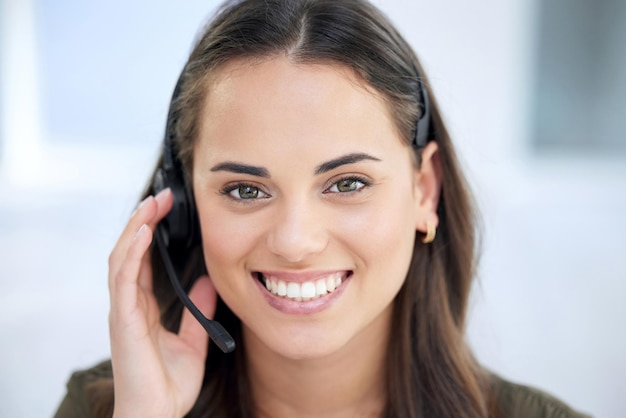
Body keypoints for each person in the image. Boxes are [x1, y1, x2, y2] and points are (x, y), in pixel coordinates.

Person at [54, 0, 591, 417]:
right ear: (183, 208)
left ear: (423, 191)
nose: (294, 240)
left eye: (348, 182)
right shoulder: (105, 410)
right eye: (245, 190)